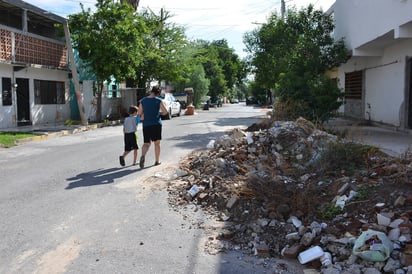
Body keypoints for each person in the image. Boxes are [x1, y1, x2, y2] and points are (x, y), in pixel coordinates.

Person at [138, 86, 168, 168]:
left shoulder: (143, 101)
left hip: (146, 125)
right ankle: (157, 161)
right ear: (158, 93)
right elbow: (165, 112)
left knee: (146, 143)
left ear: (151, 91)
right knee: (157, 143)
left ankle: (143, 156)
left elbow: (139, 112)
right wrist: (159, 114)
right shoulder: (158, 101)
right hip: (156, 124)